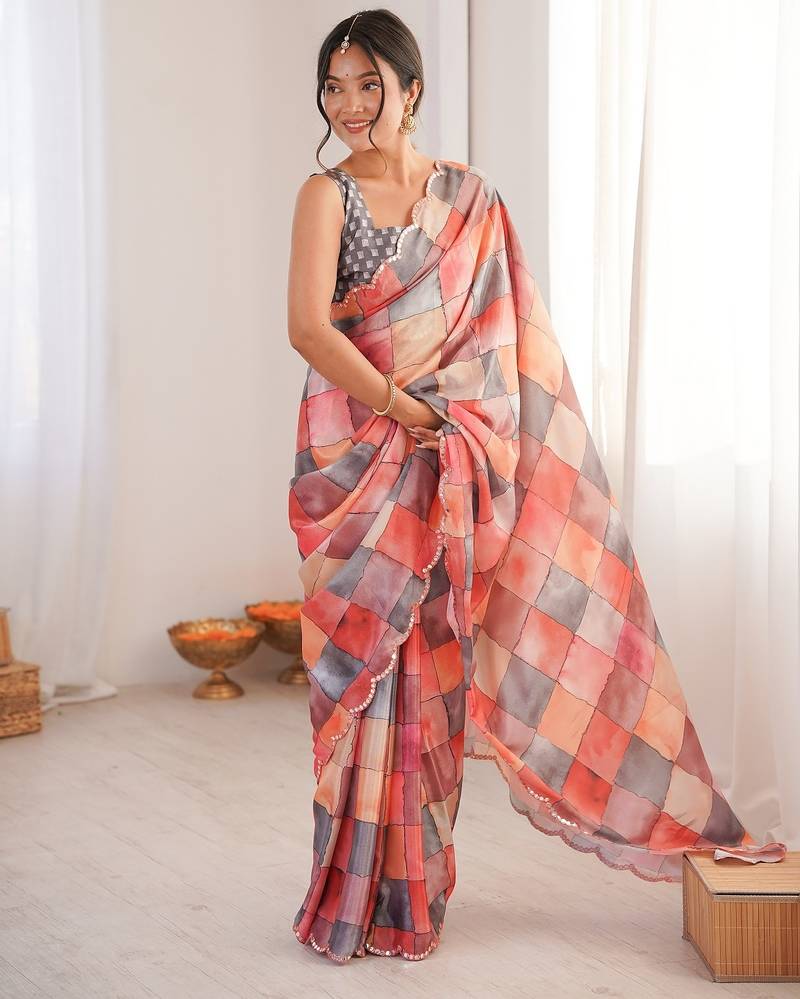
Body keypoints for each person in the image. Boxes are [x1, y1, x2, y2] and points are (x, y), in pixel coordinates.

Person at [286, 8, 786, 966]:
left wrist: (459, 428)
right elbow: (309, 328)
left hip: (452, 467)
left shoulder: (470, 200)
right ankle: (353, 890)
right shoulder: (326, 194)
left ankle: (411, 892)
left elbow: (508, 344)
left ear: (411, 89)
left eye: (368, 84)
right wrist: (405, 407)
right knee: (365, 677)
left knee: (436, 677)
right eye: (334, 87)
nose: (349, 104)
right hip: (366, 466)